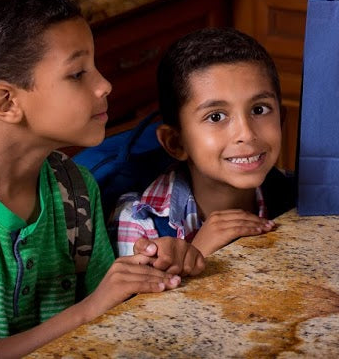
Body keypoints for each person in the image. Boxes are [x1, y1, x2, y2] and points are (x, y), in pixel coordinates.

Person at [0, 0, 204, 358]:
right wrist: (87, 310)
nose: (104, 85)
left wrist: (148, 268)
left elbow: (108, 314)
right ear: (5, 102)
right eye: (78, 73)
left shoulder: (75, 188)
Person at [113, 27, 294, 257]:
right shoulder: (143, 221)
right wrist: (199, 254)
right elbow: (148, 294)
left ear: (282, 120)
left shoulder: (301, 195)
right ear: (175, 143)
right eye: (216, 116)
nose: (246, 134)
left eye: (259, 109)